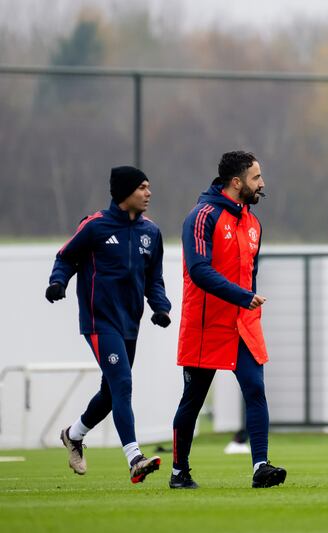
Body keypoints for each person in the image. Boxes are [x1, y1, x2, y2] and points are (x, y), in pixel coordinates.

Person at [170, 150, 286, 490]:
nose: (262, 184)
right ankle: (179, 472)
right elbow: (199, 270)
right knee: (193, 399)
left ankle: (260, 467)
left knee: (255, 389)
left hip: (242, 323)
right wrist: (242, 296)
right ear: (236, 182)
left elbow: (251, 273)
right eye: (256, 178)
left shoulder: (253, 223)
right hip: (205, 324)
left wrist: (247, 301)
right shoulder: (201, 216)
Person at [48, 165, 171, 483]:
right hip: (99, 320)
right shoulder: (95, 226)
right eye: (142, 187)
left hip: (130, 322)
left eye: (149, 186)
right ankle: (134, 458)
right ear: (124, 193)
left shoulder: (151, 232)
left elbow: (153, 279)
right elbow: (66, 257)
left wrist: (160, 307)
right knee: (123, 384)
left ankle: (73, 435)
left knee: (110, 391)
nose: (148, 193)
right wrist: (58, 282)